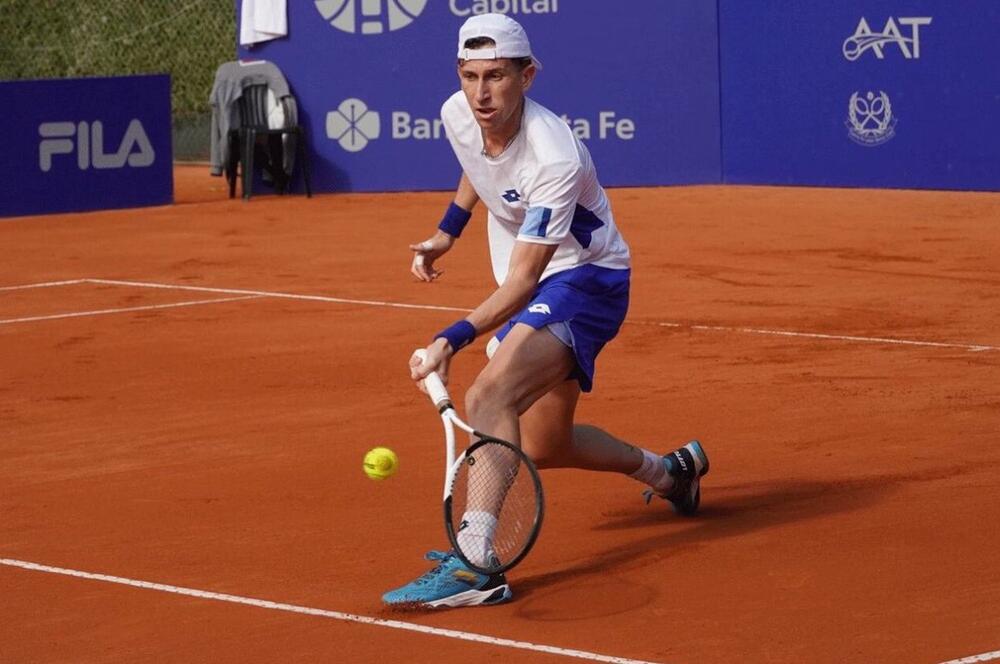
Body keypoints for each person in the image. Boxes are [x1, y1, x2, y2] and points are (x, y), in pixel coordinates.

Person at [382, 13, 709, 609]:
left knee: (488, 398)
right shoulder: (460, 112)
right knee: (544, 445)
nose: (482, 94)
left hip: (587, 281)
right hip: (536, 283)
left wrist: (448, 339)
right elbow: (478, 166)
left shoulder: (553, 154)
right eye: (470, 76)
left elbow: (527, 278)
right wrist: (447, 232)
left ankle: (477, 566)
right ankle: (670, 474)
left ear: (527, 75)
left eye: (498, 77)